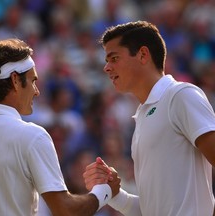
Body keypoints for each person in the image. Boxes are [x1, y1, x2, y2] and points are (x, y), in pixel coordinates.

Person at [0, 38, 120, 216]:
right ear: (15, 80)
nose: (36, 91)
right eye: (33, 80)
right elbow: (65, 210)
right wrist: (103, 192)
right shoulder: (34, 137)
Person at [83, 21, 215, 216]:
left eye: (114, 58)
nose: (106, 68)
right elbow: (150, 210)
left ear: (143, 55)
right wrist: (115, 194)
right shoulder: (143, 115)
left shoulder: (180, 95)